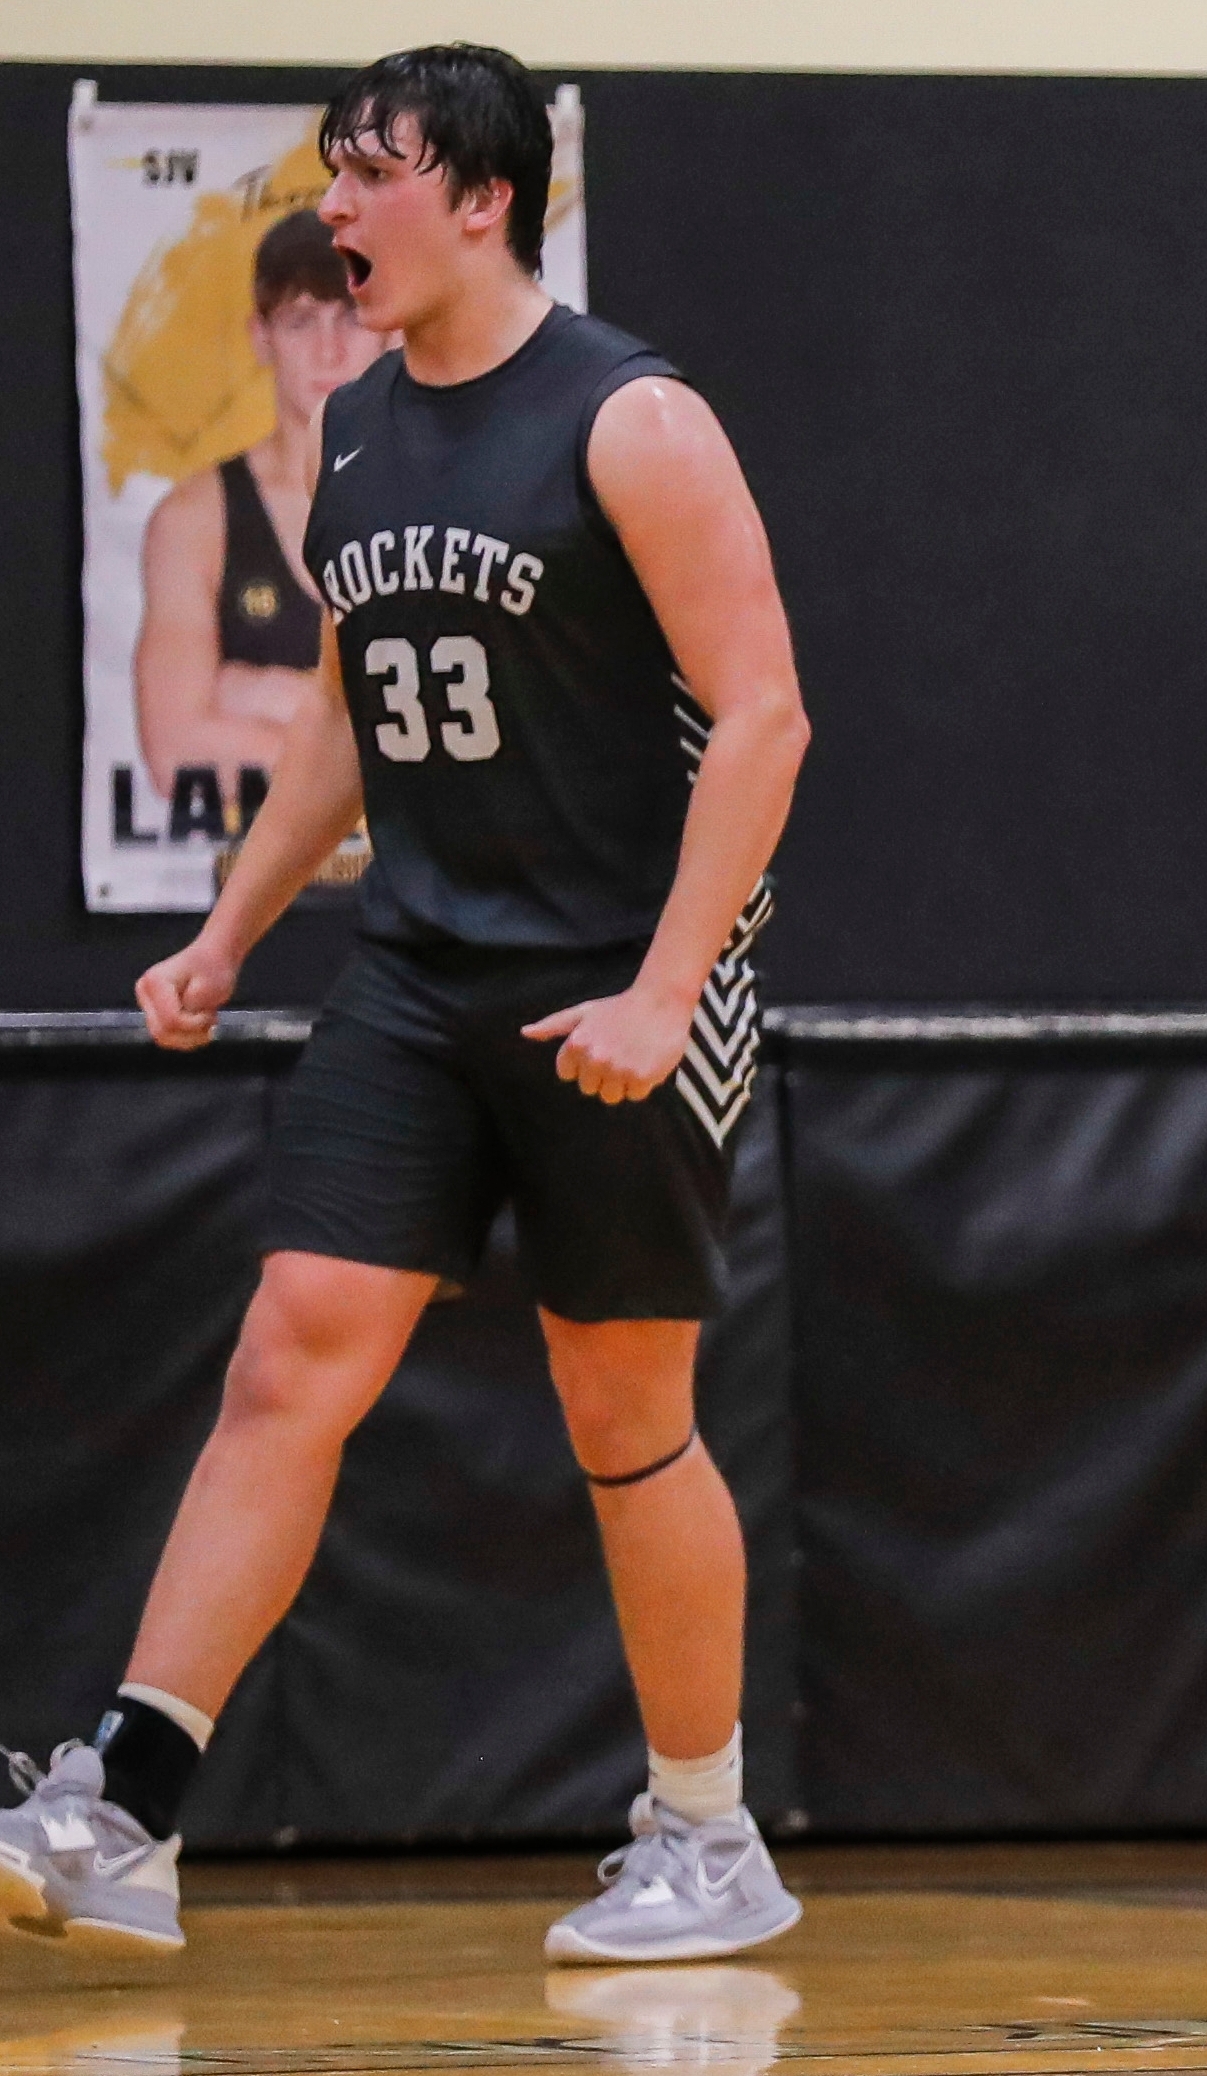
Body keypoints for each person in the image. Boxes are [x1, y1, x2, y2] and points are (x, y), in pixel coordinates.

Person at [0, 44, 813, 1962]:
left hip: (619, 981)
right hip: (423, 971)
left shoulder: (635, 418)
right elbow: (347, 723)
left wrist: (664, 985)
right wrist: (226, 929)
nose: (335, 208)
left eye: (369, 174)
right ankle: (129, 1798)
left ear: (481, 198)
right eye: (330, 172)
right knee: (296, 1341)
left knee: (626, 1410)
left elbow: (766, 715)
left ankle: (706, 1834)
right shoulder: (357, 427)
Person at [134, 208, 390, 843]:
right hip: (249, 901)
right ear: (260, 336)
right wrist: (377, 749)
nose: (329, 349)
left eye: (351, 317)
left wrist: (260, 694)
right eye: (301, 321)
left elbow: (484, 741)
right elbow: (173, 753)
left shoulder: (446, 499)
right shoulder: (195, 520)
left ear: (387, 327)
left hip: (415, 910)